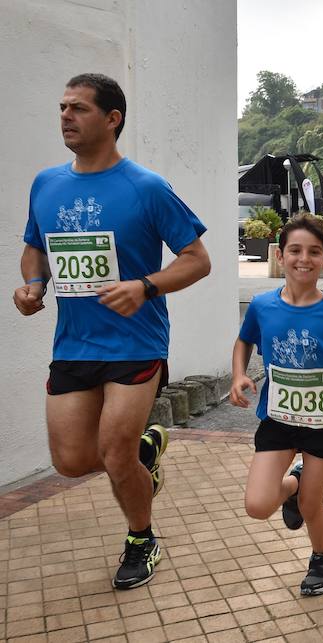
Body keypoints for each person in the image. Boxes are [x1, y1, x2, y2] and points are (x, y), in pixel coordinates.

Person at [13, 73, 210, 589]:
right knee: (73, 461)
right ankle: (148, 452)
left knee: (113, 451)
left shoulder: (146, 188)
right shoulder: (47, 183)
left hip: (136, 341)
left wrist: (145, 286)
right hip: (74, 344)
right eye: (62, 107)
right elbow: (35, 246)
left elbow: (197, 260)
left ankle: (141, 538)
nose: (65, 117)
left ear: (112, 118)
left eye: (77, 108)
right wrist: (33, 285)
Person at [230, 215, 323, 596]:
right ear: (280, 255)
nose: (303, 259)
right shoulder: (262, 305)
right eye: (295, 250)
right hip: (278, 418)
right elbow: (244, 339)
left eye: (314, 252)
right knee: (258, 505)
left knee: (312, 506)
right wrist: (238, 374)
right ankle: (291, 485)